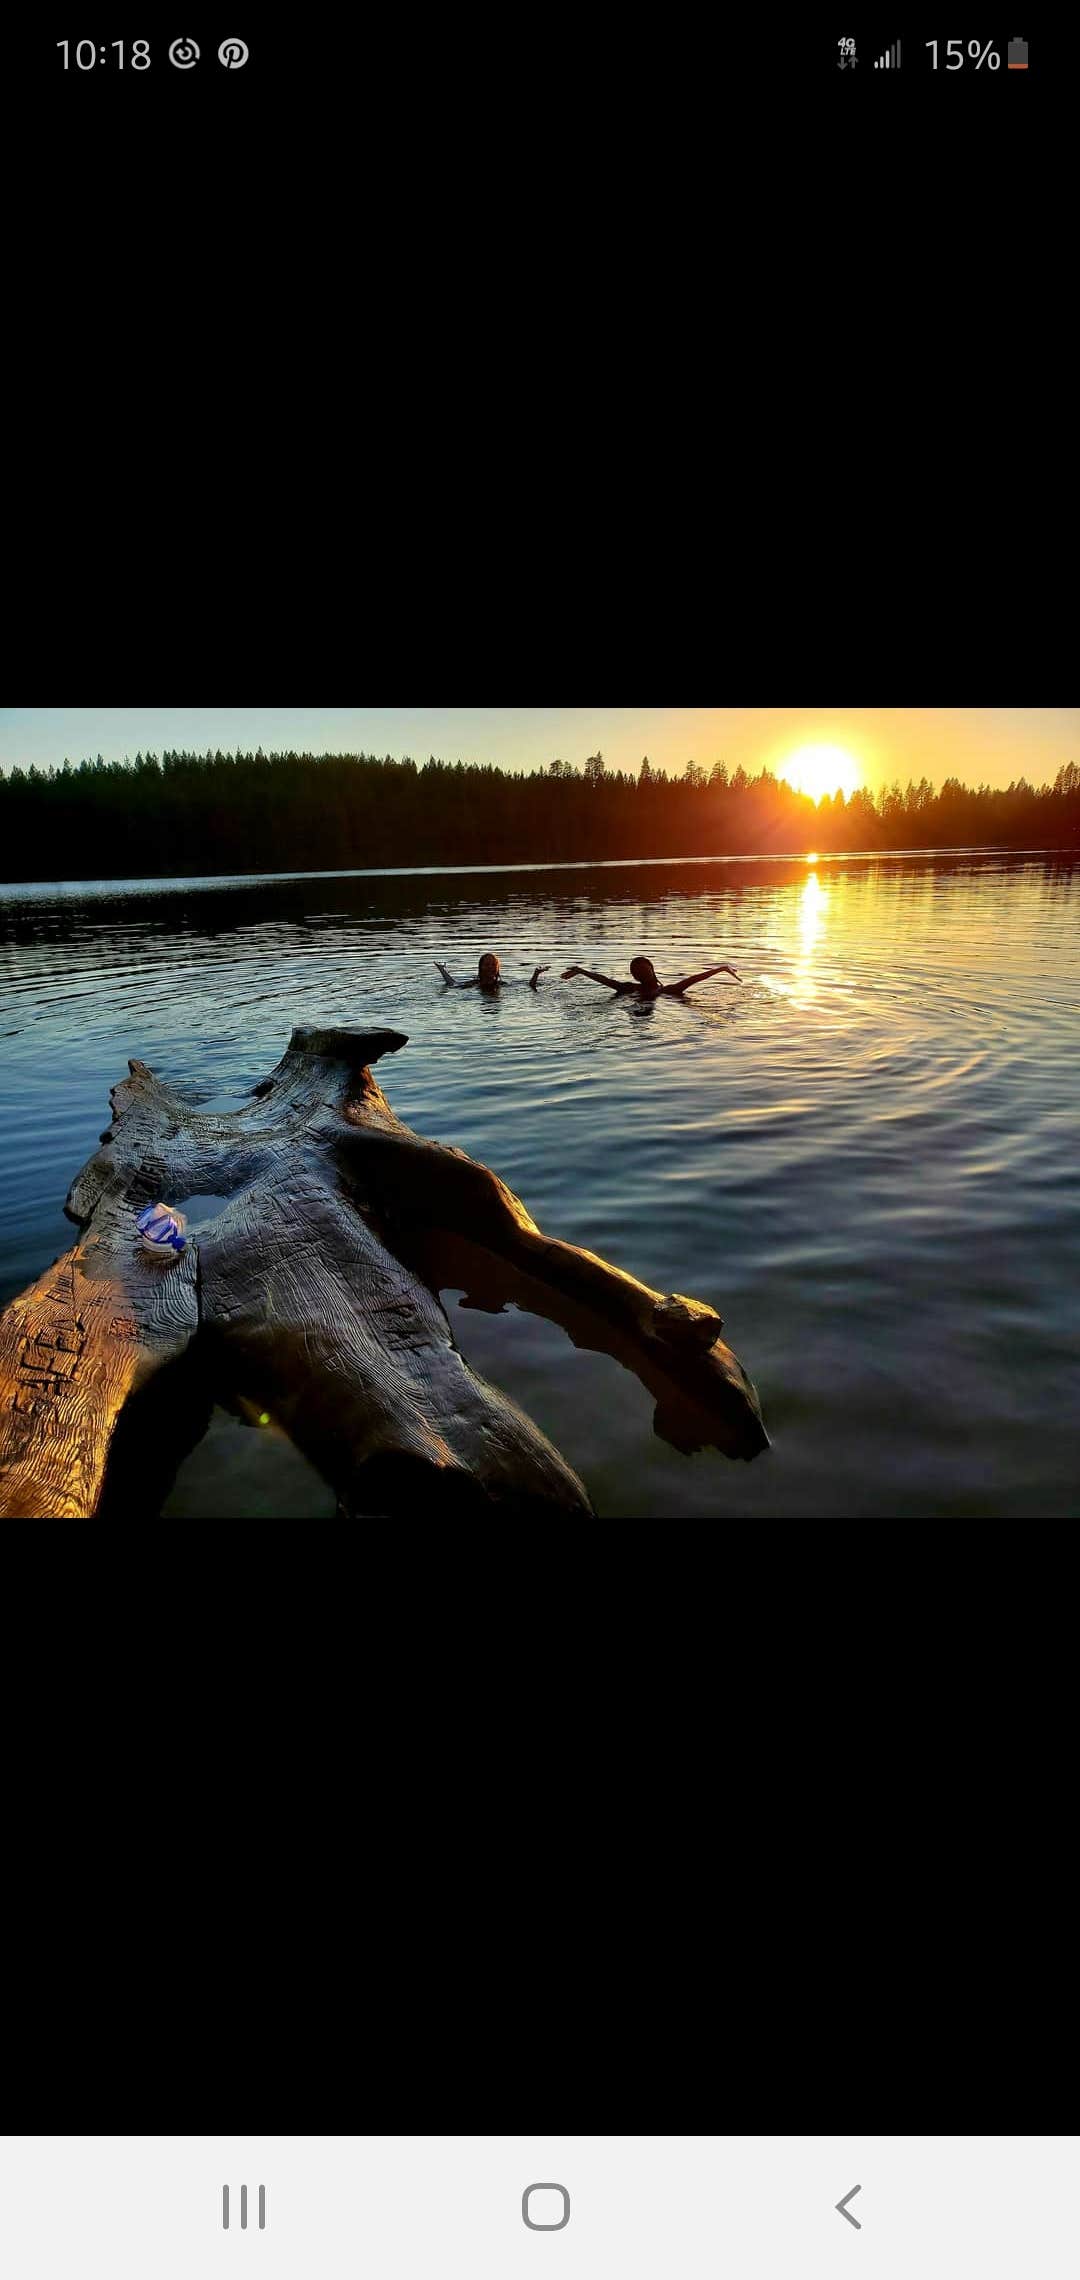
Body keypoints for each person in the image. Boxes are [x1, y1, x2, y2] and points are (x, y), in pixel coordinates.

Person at [560, 954, 741, 998]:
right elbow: (606, 981)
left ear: (652, 969)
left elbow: (695, 978)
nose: (641, 974)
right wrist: (582, 971)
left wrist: (721, 968)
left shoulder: (669, 990)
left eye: (643, 970)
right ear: (634, 976)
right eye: (637, 972)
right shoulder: (630, 988)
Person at [435, 952, 549, 992]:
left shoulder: (501, 984)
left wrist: (536, 974)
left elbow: (529, 986)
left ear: (497, 968)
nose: (490, 967)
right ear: (481, 968)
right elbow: (453, 984)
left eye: (493, 964)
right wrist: (442, 969)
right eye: (487, 965)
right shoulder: (474, 984)